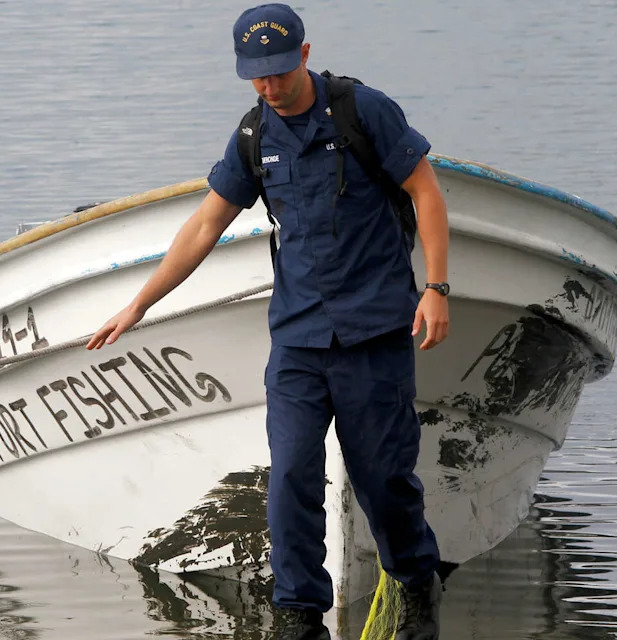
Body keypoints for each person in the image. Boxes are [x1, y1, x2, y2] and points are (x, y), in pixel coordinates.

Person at [87, 4, 450, 639]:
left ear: (304, 56)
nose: (269, 86)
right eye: (256, 76)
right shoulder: (254, 136)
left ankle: (417, 583)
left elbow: (425, 190)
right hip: (299, 342)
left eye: (279, 72)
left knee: (385, 482)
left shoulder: (363, 111)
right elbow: (204, 225)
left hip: (374, 335)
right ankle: (298, 615)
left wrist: (439, 288)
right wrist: (140, 303)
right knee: (287, 479)